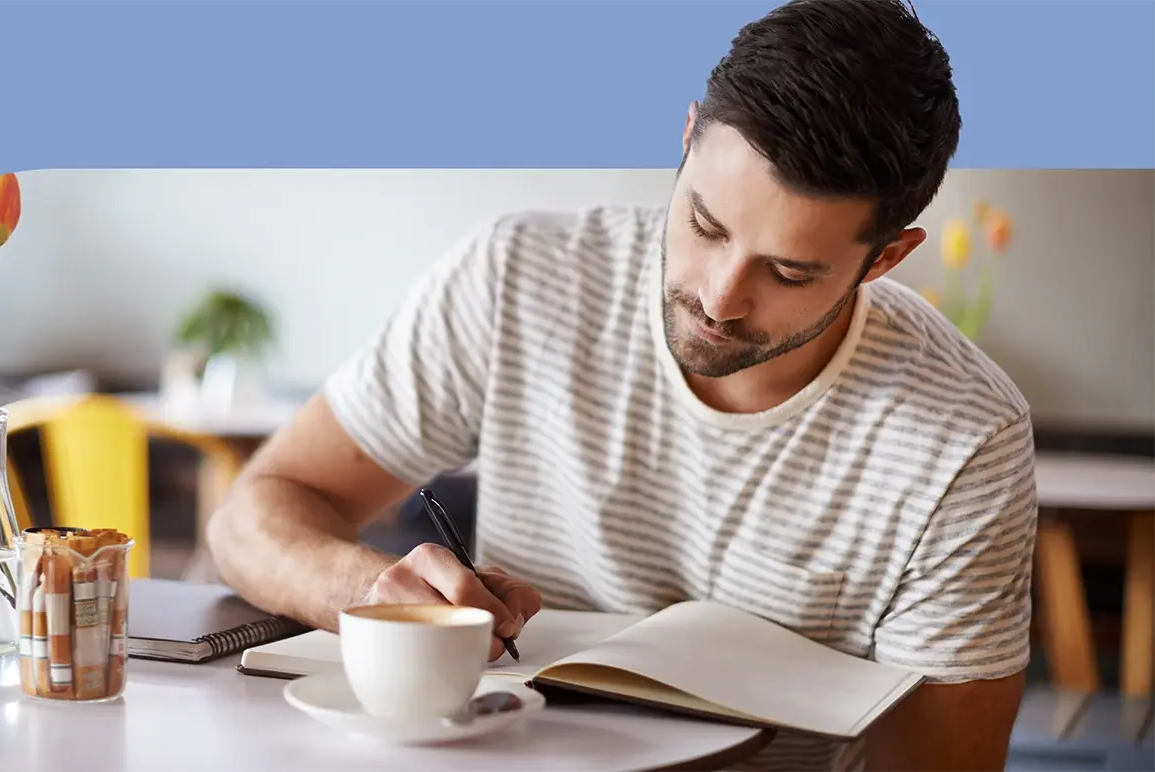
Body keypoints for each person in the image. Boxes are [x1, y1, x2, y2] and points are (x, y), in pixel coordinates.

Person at [207, 1, 1036, 769]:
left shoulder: (966, 436)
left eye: (788, 271)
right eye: (704, 224)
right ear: (687, 137)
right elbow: (250, 517)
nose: (719, 297)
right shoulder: (519, 277)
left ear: (886, 258)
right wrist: (371, 593)